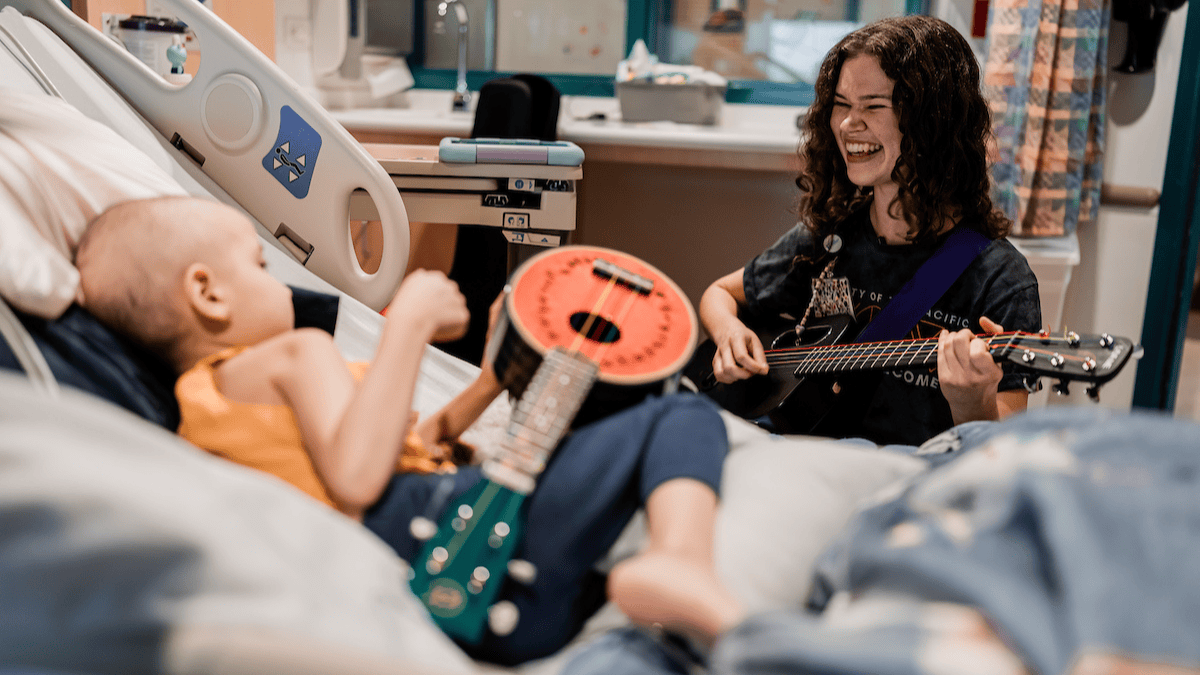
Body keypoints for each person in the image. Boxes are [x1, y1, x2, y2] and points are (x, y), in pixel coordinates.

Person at [73, 195, 742, 666]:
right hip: (434, 529)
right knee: (679, 412)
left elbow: (405, 444)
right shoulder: (291, 354)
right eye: (259, 265)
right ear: (208, 294)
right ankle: (680, 558)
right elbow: (361, 475)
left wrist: (488, 381)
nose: (279, 285)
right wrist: (406, 327)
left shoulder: (206, 409)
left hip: (473, 578)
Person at [698, 15, 1042, 446]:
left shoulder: (1001, 280)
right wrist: (730, 334)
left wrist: (971, 401)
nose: (846, 124)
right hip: (807, 456)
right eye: (841, 104)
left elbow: (1001, 453)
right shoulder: (831, 238)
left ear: (933, 121)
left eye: (873, 106)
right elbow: (719, 294)